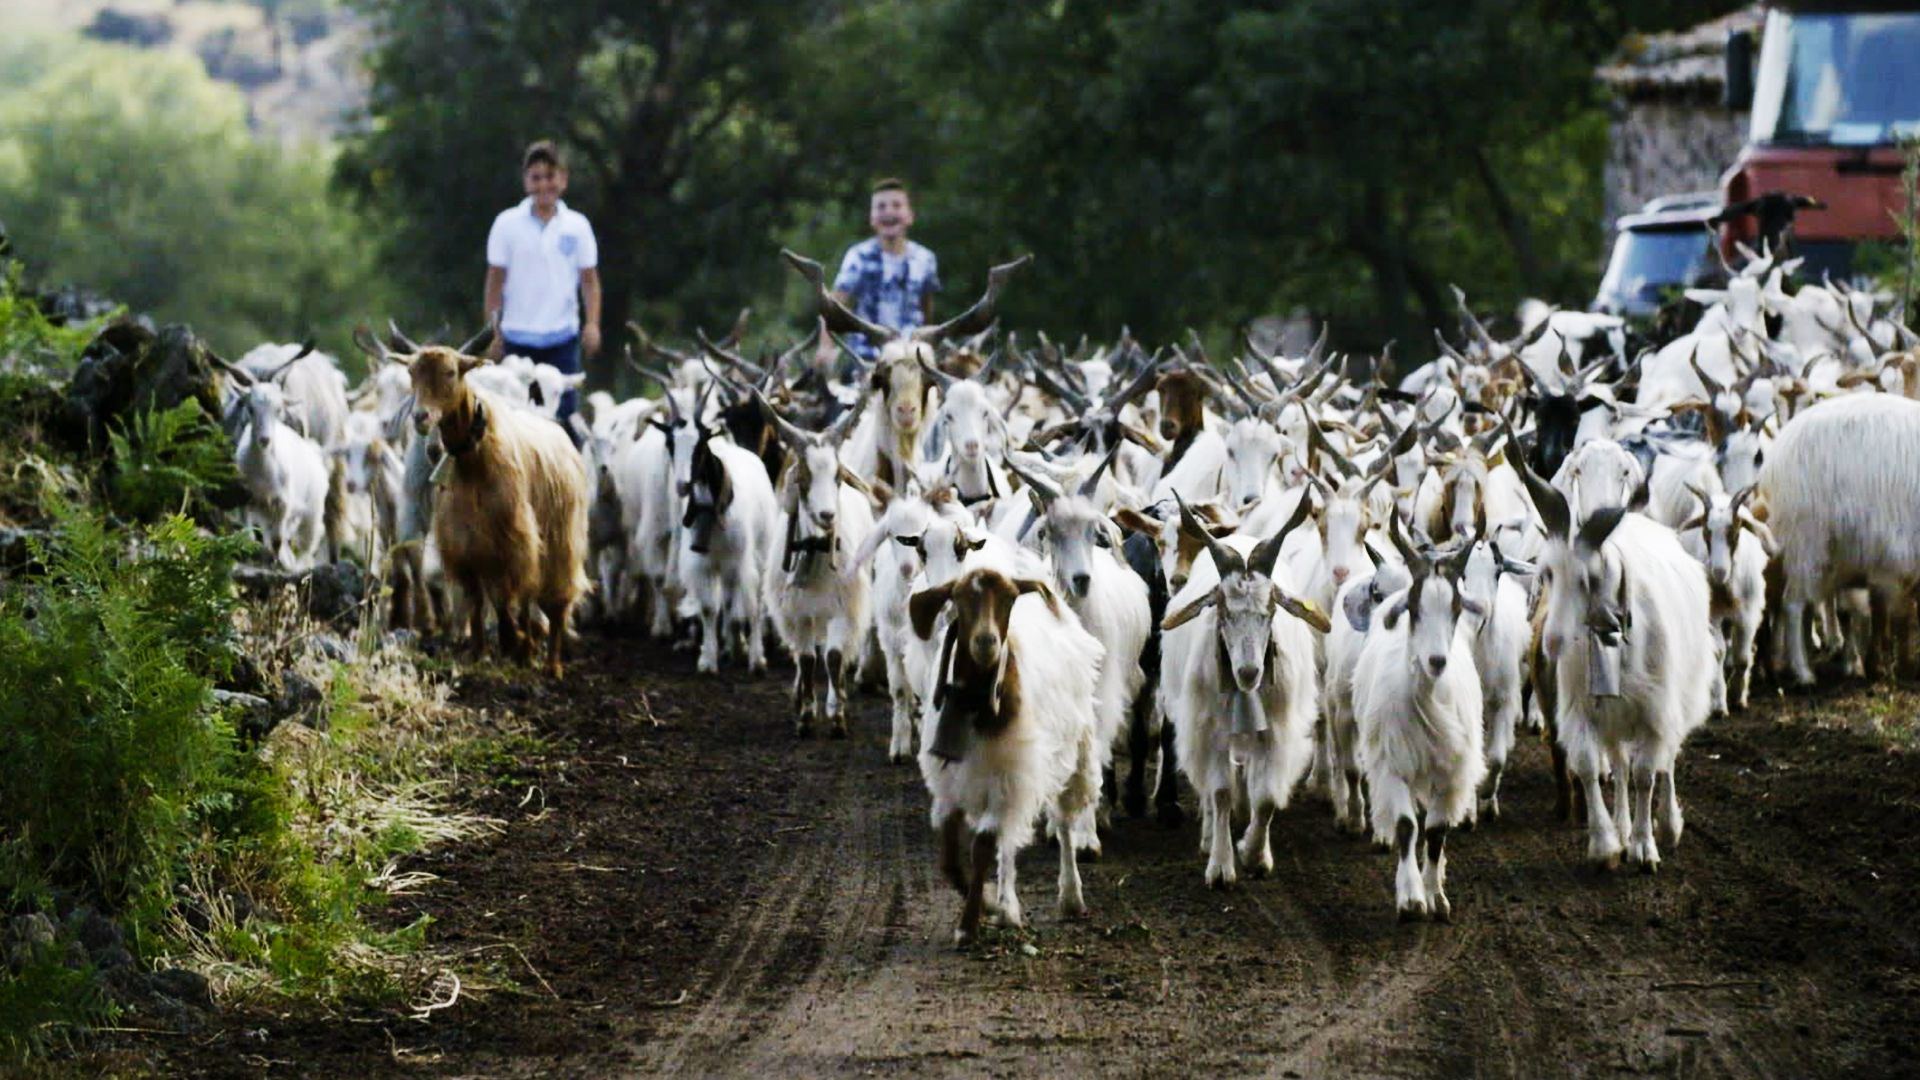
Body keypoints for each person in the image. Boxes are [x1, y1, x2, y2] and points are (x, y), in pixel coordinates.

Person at [483, 140, 601, 436]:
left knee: (564, 424)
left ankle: (571, 483)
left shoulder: (577, 226)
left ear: (563, 179)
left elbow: (589, 280)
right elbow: (495, 280)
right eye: (536, 178)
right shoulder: (507, 224)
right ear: (526, 181)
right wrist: (492, 331)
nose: (543, 185)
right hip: (517, 338)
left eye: (550, 176)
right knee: (512, 425)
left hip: (562, 338)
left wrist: (593, 324)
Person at [816, 178, 940, 372]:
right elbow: (834, 304)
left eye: (896, 205)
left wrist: (930, 346)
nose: (889, 212)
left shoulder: (925, 259)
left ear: (910, 216)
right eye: (881, 207)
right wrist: (825, 346)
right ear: (872, 218)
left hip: (912, 359)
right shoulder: (859, 256)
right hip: (866, 359)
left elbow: (927, 308)